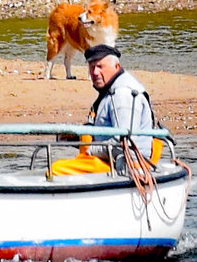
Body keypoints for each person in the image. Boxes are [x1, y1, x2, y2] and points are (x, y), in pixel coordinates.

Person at [51, 44, 158, 176]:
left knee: (56, 169)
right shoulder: (111, 89)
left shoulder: (122, 94)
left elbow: (123, 141)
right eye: (92, 67)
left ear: (116, 67)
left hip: (129, 164)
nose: (95, 72)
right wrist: (76, 138)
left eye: (100, 67)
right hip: (110, 157)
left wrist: (90, 149)